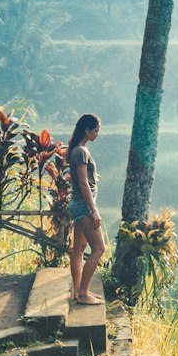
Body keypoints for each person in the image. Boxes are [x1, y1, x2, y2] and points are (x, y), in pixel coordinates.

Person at [66, 113, 104, 305]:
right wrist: (94, 210)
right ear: (87, 130)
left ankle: (77, 290)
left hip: (78, 204)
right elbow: (82, 183)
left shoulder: (77, 150)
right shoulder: (81, 152)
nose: (97, 134)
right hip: (83, 206)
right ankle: (83, 293)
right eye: (95, 130)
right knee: (98, 248)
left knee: (79, 248)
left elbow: (85, 179)